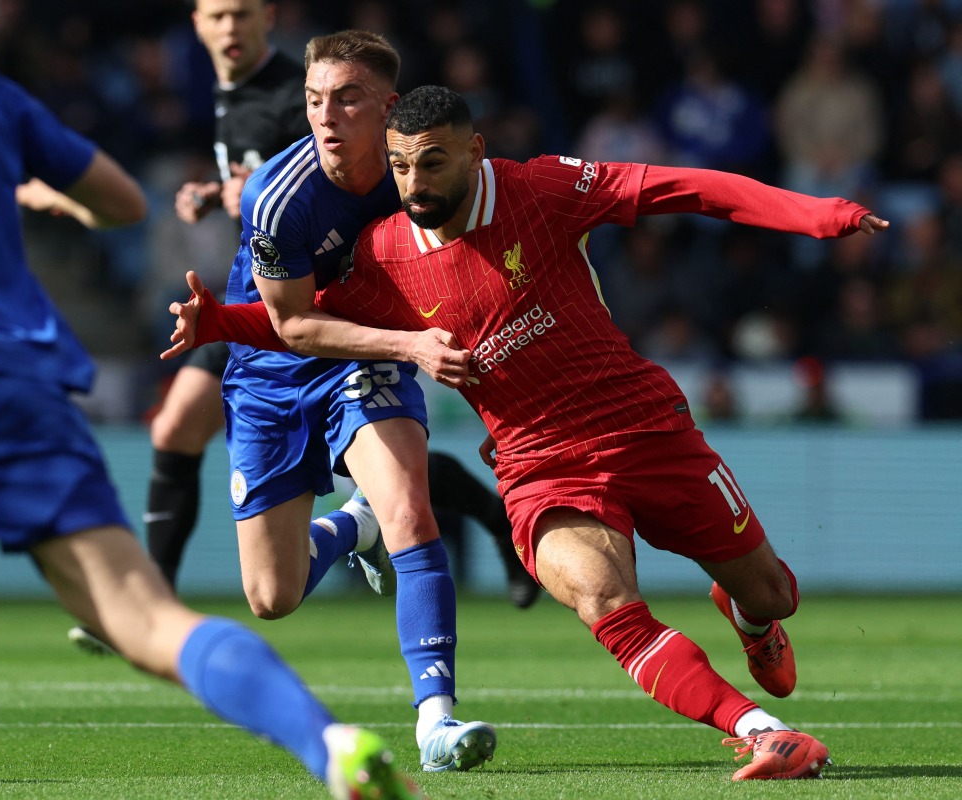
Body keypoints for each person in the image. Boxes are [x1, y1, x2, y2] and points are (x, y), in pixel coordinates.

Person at [0, 3, 424, 798]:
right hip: (23, 389)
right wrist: (51, 198)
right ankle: (331, 745)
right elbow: (121, 201)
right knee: (147, 624)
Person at [166, 85, 893, 780]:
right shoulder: (385, 251)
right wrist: (219, 324)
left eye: (432, 162)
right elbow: (310, 320)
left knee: (773, 593)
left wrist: (818, 214)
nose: (413, 182)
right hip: (540, 466)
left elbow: (686, 188)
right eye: (399, 165)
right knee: (605, 602)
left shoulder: (541, 190)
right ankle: (763, 732)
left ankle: (748, 615)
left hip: (644, 427)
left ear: (475, 151)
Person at [134, 0, 536, 613]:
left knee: (398, 491)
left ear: (267, 18)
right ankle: (360, 525)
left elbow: (306, 181)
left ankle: (151, 596)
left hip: (339, 317)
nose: (229, 28)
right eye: (216, 16)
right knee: (271, 596)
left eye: (240, 14)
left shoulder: (302, 101)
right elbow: (270, 201)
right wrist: (221, 194)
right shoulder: (228, 98)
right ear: (195, 25)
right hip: (270, 314)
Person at [183, 31, 497, 773]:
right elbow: (291, 324)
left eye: (349, 98)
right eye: (316, 99)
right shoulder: (278, 193)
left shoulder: (418, 172)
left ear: (388, 108)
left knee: (413, 515)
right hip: (271, 370)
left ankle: (435, 721)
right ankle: (354, 529)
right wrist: (415, 346)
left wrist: (416, 344)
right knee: (272, 596)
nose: (327, 114)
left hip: (365, 360)